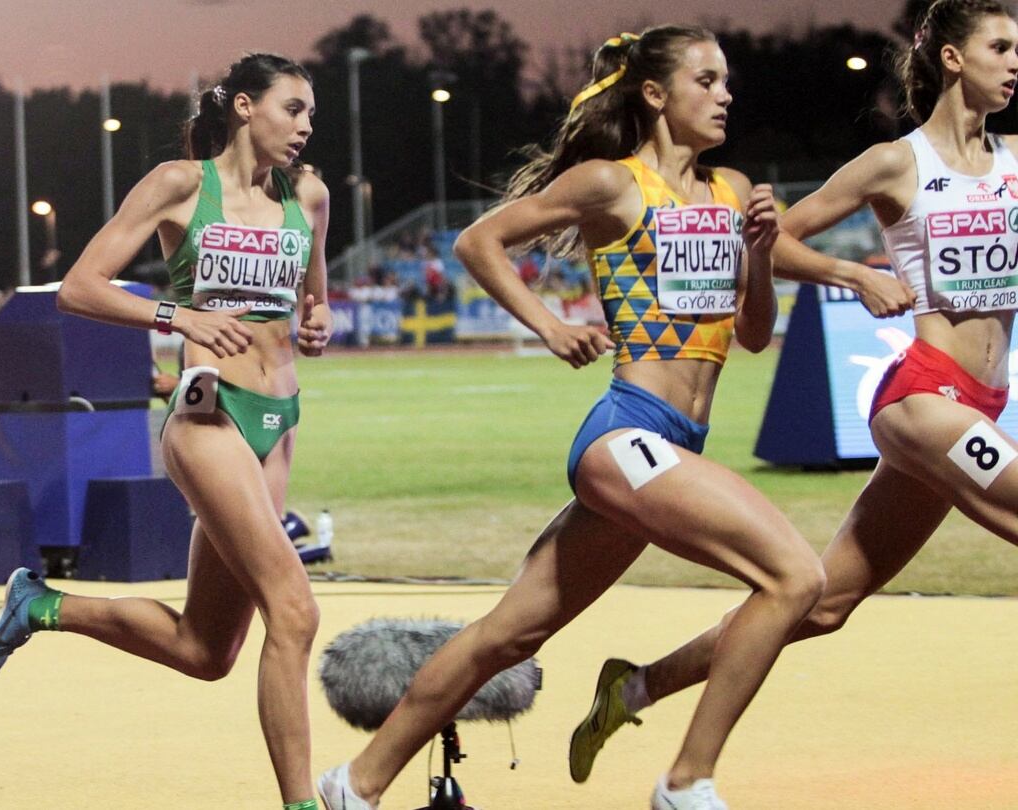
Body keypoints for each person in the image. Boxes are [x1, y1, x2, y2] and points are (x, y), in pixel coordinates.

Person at [319, 26, 827, 810]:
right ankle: (685, 782)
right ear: (655, 93)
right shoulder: (610, 183)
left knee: (507, 637)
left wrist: (759, 253)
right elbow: (479, 241)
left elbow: (755, 334)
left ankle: (352, 786)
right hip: (625, 434)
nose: (725, 94)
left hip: (675, 443)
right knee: (796, 577)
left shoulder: (730, 191)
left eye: (727, 80)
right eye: (707, 79)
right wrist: (550, 326)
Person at [568, 0, 1018, 784]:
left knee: (823, 605)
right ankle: (686, 781)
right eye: (1001, 46)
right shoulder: (895, 163)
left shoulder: (1014, 161)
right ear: (953, 58)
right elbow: (776, 242)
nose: (1015, 62)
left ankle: (634, 685)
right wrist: (855, 273)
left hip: (981, 401)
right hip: (922, 399)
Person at [0, 53, 332, 810]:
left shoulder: (311, 196)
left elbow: (313, 297)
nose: (306, 126)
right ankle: (304, 805)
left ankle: (42, 606)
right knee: (295, 610)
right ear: (244, 106)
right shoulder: (181, 185)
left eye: (310, 113)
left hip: (279, 421)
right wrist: (181, 316)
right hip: (207, 417)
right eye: (292, 109)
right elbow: (79, 287)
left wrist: (317, 317)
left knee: (207, 650)